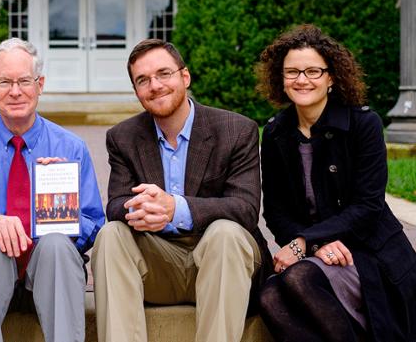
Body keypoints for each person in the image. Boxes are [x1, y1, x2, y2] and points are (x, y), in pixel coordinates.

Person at [91, 39, 273, 342]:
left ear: (184, 77)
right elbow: (116, 204)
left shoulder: (236, 130)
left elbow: (245, 208)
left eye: (164, 74)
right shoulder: (123, 137)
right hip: (160, 265)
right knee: (110, 235)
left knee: (226, 232)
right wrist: (141, 210)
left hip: (223, 265)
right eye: (143, 80)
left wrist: (176, 208)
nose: (155, 85)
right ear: (136, 91)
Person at [256, 24, 416, 341]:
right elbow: (274, 211)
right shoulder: (275, 133)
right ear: (281, 79)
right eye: (292, 72)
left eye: (313, 71)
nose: (302, 80)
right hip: (320, 252)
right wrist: (315, 243)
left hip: (371, 253)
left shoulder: (363, 125)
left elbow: (368, 206)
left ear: (331, 78)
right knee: (270, 297)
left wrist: (303, 243)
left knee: (299, 279)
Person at [0, 37, 105, 342]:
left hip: (52, 277)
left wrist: (60, 203)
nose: (15, 91)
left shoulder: (70, 147)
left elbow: (93, 226)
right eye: (5, 82)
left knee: (57, 243)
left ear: (40, 84)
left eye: (24, 81)